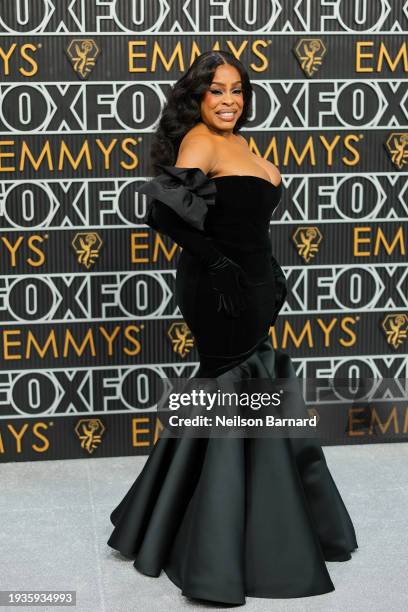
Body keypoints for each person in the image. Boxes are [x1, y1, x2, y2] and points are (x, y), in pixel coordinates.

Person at [107, 50, 358, 605]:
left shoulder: (242, 143)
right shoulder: (199, 138)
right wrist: (218, 263)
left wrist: (267, 268)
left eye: (237, 90)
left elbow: (245, 221)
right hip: (220, 291)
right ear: (196, 97)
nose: (228, 100)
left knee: (247, 391)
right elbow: (162, 211)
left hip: (255, 283)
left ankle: (181, 513)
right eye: (216, 90)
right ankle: (222, 544)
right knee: (232, 389)